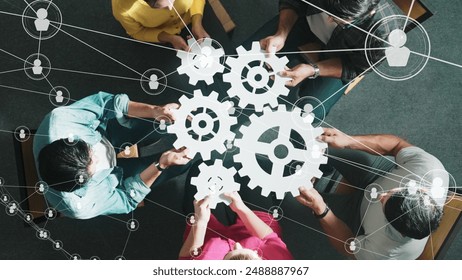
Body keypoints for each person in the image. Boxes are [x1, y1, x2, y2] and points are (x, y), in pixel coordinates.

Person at [293, 128, 447, 259]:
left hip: (357, 219)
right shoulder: (430, 169)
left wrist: (321, 209)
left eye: (385, 203)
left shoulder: (385, 253)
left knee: (288, 198)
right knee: (316, 139)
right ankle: (322, 167)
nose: (381, 196)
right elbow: (397, 145)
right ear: (422, 189)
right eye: (393, 193)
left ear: (399, 232)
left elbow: (348, 245)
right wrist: (349, 141)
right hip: (376, 174)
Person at [33, 92, 191, 219]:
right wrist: (161, 165)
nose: (97, 157)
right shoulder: (81, 206)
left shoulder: (60, 121)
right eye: (94, 165)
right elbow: (127, 198)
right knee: (181, 165)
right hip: (117, 176)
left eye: (89, 150)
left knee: (164, 121)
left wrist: (154, 110)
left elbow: (105, 104)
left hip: (105, 131)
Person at [245, 0, 398, 119]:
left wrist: (313, 70)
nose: (329, 20)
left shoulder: (384, 34)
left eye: (338, 19)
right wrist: (281, 33)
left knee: (311, 113)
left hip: (342, 55)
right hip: (303, 21)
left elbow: (356, 67)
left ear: (369, 12)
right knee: (246, 56)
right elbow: (292, 2)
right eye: (327, 11)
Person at [179, 192, 293, 260]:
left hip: (206, 240)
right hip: (255, 234)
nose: (237, 244)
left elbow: (185, 258)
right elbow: (269, 237)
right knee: (255, 173)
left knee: (199, 170)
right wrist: (241, 208)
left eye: (229, 255)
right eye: (256, 254)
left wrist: (200, 222)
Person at [112, 0, 209, 51]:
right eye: (162, 6)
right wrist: (170, 38)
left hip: (194, 14)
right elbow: (137, 32)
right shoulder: (121, 8)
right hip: (160, 37)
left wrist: (197, 22)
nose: (171, 7)